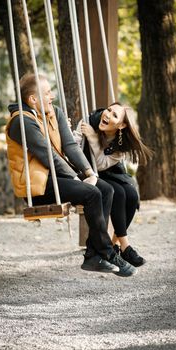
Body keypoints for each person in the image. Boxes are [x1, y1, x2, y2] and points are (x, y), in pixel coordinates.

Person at [5, 73, 137, 277]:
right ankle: (107, 253)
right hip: (39, 185)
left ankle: (94, 255)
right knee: (92, 193)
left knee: (106, 189)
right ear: (33, 99)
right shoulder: (21, 122)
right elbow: (48, 155)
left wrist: (89, 172)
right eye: (48, 93)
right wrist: (78, 180)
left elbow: (69, 146)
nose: (52, 97)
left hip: (58, 177)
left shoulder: (53, 112)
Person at [73, 102, 153, 267]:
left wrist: (93, 138)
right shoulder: (90, 121)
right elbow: (76, 147)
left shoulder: (122, 143)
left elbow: (103, 163)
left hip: (110, 170)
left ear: (122, 125)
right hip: (90, 170)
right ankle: (125, 247)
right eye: (108, 109)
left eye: (114, 115)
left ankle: (116, 244)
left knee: (131, 195)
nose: (107, 114)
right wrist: (86, 136)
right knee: (119, 193)